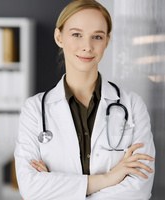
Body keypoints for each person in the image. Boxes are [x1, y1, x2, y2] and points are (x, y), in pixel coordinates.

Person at [14, 0, 155, 199]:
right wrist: (109, 178)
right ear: (59, 37)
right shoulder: (34, 109)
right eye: (76, 34)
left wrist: (58, 188)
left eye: (97, 37)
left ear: (107, 40)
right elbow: (30, 188)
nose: (87, 46)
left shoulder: (132, 105)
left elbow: (138, 190)